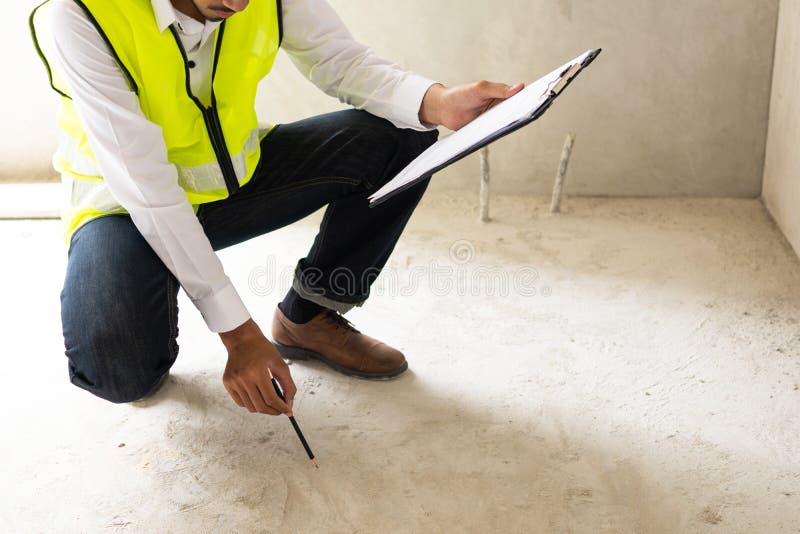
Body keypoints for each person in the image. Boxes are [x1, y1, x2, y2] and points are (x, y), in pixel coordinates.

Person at [30, 0, 523, 416]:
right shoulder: (80, 14)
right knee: (120, 373)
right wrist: (238, 335)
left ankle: (309, 318)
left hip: (233, 187)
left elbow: (341, 59)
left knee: (404, 133)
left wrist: (439, 101)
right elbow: (146, 187)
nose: (241, 3)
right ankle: (152, 275)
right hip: (126, 213)